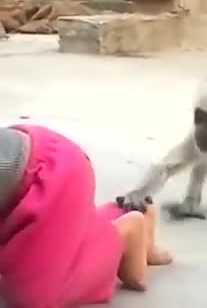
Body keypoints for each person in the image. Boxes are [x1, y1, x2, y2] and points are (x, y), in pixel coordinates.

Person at [0, 124, 172, 307]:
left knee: (32, 297)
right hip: (22, 173)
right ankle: (122, 211)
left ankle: (127, 233)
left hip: (53, 172)